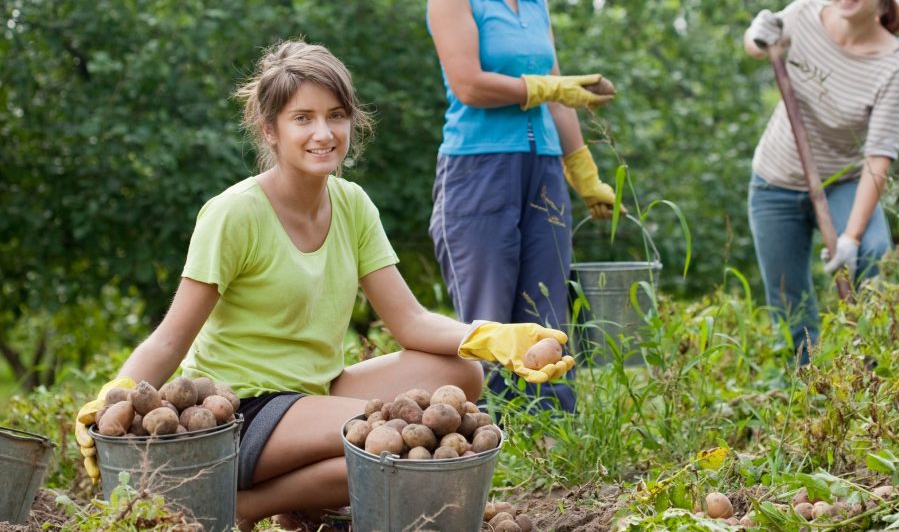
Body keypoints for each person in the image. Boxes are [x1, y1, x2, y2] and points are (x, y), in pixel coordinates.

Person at [73, 41, 575, 531]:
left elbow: (410, 322)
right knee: (388, 439)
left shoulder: (353, 204)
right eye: (303, 118)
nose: (324, 132)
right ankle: (246, 502)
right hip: (244, 410)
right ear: (269, 130)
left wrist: (495, 338)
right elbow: (169, 338)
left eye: (336, 115)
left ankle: (289, 498)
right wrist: (114, 394)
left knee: (460, 376)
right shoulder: (234, 214)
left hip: (318, 389)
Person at [424, 0, 619, 412]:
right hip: (479, 170)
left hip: (544, 169)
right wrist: (543, 86)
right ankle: (492, 436)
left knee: (546, 306)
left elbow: (560, 98)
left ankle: (553, 434)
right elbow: (468, 84)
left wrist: (584, 173)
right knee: (489, 312)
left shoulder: (532, 1)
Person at [743, 0, 899, 364]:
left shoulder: (893, 66)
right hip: (775, 182)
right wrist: (756, 34)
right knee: (789, 302)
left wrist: (852, 239)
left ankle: (871, 378)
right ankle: (809, 396)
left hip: (843, 182)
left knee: (873, 253)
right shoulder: (803, 15)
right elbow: (758, 45)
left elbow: (878, 158)